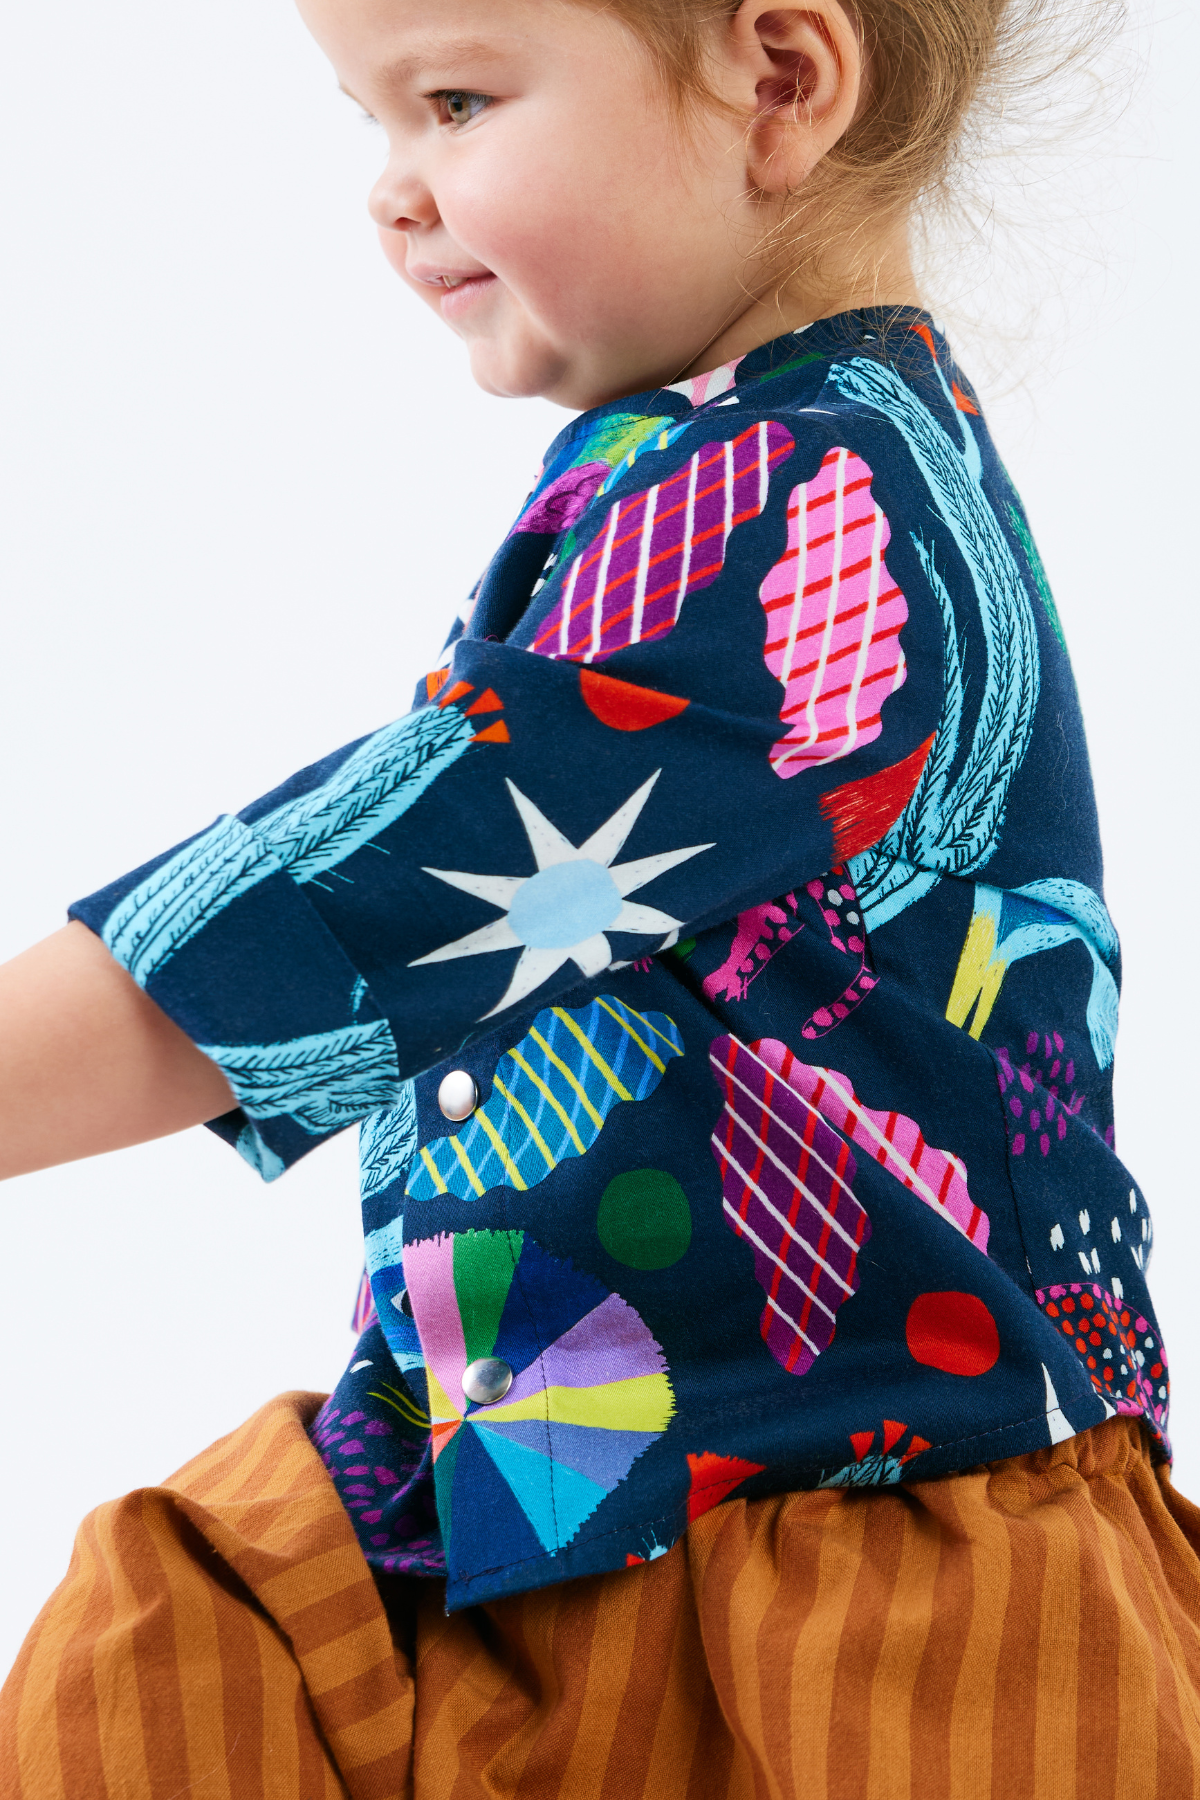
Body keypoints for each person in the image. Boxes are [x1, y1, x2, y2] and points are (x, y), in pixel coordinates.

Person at [2, 0, 1198, 1793]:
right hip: (553, 1469)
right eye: (371, 119)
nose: (395, 195)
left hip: (852, 1551)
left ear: (779, 83)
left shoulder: (816, 511)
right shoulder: (721, 460)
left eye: (456, 102)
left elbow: (375, 885)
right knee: (153, 1659)